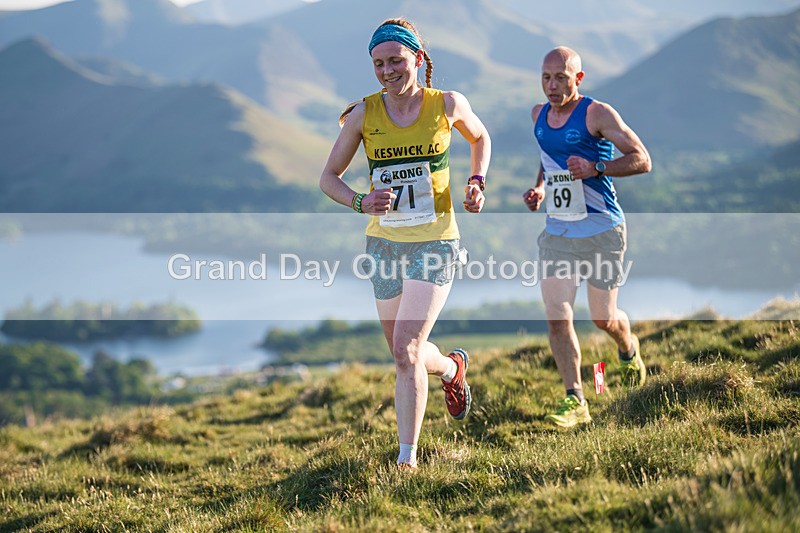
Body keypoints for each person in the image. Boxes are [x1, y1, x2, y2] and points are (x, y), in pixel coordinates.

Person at [319, 18, 491, 468]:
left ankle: (407, 460)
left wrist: (477, 181)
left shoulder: (447, 104)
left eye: (395, 60)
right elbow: (328, 178)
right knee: (403, 352)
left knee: (406, 348)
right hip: (384, 245)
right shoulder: (364, 114)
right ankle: (452, 368)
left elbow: (480, 137)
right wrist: (361, 201)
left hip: (436, 240)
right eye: (378, 64)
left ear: (418, 58)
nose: (387, 71)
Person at [522, 46, 652, 428]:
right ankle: (575, 398)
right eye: (546, 78)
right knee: (557, 317)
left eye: (561, 78)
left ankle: (628, 348)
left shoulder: (597, 113)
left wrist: (597, 167)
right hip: (558, 232)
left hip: (601, 230)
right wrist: (540, 188)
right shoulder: (538, 115)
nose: (552, 86)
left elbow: (642, 159)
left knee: (602, 318)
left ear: (578, 78)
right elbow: (548, 154)